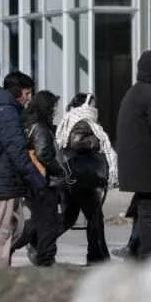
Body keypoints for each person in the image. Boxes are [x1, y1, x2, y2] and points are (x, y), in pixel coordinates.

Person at [0, 70, 46, 270]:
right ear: (17, 92)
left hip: (4, 179)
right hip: (3, 180)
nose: (28, 98)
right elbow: (17, 151)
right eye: (27, 93)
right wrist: (36, 179)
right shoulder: (7, 113)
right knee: (0, 230)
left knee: (13, 228)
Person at [115, 49, 151, 260]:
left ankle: (138, 252)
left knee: (144, 213)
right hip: (150, 168)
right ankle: (148, 259)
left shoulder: (135, 92)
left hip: (136, 168)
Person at [56, 92, 118, 264]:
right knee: (94, 217)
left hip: (75, 178)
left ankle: (39, 240)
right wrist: (94, 142)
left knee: (69, 218)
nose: (95, 107)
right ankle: (98, 256)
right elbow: (76, 143)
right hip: (82, 179)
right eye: (93, 103)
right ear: (86, 104)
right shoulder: (82, 121)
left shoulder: (76, 119)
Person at [9, 90, 65, 266]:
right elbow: (43, 154)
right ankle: (45, 258)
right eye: (53, 107)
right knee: (47, 222)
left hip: (32, 179)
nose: (54, 110)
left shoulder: (28, 123)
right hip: (44, 181)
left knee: (39, 221)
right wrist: (60, 170)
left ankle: (17, 247)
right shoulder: (40, 126)